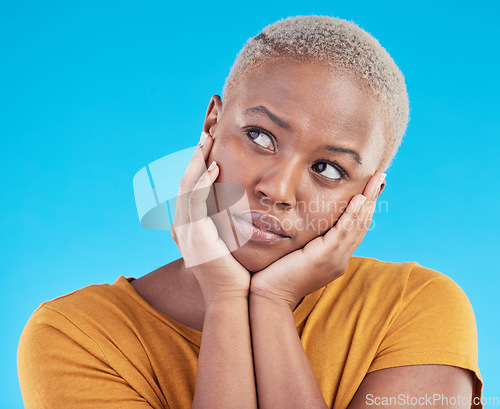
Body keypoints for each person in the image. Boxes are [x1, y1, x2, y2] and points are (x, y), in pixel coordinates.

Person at [18, 15, 482, 409]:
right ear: (213, 124)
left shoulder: (415, 307)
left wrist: (270, 304)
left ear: (368, 194)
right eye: (260, 137)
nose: (278, 190)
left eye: (327, 168)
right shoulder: (77, 336)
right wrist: (223, 298)